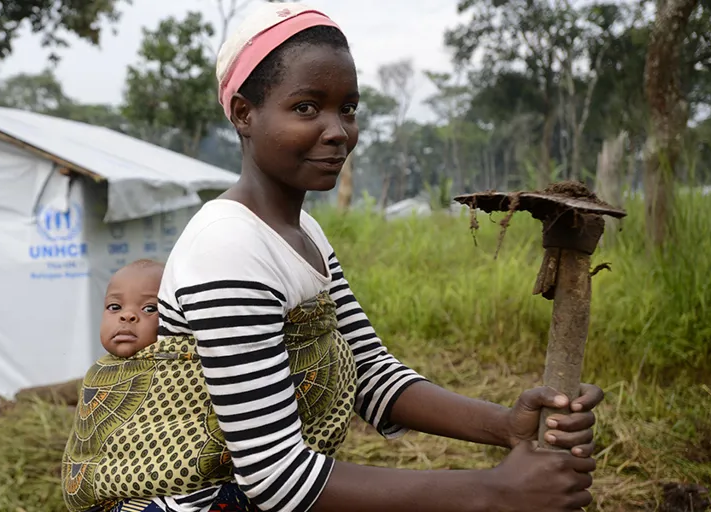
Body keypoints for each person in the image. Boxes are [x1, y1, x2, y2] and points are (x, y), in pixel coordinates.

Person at [62, 4, 603, 512]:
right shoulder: (227, 247)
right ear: (244, 114)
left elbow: (369, 373)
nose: (338, 131)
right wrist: (495, 491)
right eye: (306, 107)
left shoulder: (303, 232)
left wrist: (505, 426)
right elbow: (275, 476)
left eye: (348, 108)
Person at [99, 259, 165, 358]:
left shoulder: (183, 367)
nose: (127, 315)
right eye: (115, 307)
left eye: (149, 309)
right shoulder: (98, 370)